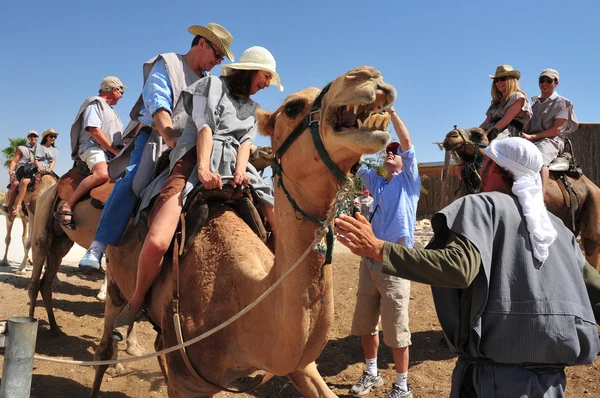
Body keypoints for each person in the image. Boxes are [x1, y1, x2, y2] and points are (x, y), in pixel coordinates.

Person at [335, 137, 600, 398]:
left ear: (495, 167)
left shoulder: (480, 206)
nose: (479, 169)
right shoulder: (558, 229)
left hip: (493, 382)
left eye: (484, 163)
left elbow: (457, 268)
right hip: (552, 385)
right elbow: (594, 291)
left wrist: (378, 249)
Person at [111, 46, 282, 341]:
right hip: (192, 162)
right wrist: (202, 169)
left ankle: (280, 292)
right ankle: (136, 301)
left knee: (278, 222)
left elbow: (244, 143)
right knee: (158, 240)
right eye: (266, 76)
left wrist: (242, 171)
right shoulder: (209, 85)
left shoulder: (252, 110)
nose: (267, 84)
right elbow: (204, 127)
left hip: (233, 169)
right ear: (251, 70)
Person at [78, 22, 234, 271]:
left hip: (191, 145)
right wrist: (171, 138)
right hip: (158, 139)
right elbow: (158, 104)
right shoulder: (167, 64)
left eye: (222, 58)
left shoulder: (208, 82)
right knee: (132, 180)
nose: (218, 61)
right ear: (201, 43)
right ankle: (98, 245)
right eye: (217, 54)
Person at [348, 106, 420, 398]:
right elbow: (358, 159)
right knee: (366, 322)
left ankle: (402, 386)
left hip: (396, 261)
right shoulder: (377, 184)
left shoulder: (409, 183)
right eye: (388, 151)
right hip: (369, 259)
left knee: (397, 329)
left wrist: (391, 114)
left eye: (395, 151)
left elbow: (407, 143)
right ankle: (371, 373)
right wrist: (358, 129)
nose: (391, 153)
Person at [56, 76, 127, 229]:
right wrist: (114, 150)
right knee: (103, 174)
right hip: (92, 147)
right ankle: (67, 206)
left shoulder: (113, 112)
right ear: (114, 90)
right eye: (122, 92)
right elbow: (94, 130)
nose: (122, 96)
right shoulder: (95, 103)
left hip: (109, 152)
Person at [521, 68, 578, 195]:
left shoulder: (562, 102)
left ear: (556, 83)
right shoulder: (534, 103)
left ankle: (540, 197)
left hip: (552, 140)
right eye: (542, 80)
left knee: (539, 159)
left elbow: (556, 129)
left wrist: (532, 136)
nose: (544, 83)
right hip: (532, 138)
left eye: (549, 80)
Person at [479, 65, 532, 140]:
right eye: (496, 80)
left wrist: (486, 134)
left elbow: (505, 120)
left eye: (503, 79)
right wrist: (473, 132)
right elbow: (486, 122)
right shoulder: (496, 103)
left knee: (493, 148)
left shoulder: (518, 97)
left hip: (509, 133)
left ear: (511, 80)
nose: (499, 82)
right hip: (492, 130)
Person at [13, 129, 58, 214]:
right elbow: (36, 159)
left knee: (60, 182)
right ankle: (18, 205)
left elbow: (54, 161)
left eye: (54, 137)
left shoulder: (55, 149)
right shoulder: (39, 146)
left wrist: (50, 168)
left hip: (48, 169)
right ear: (46, 137)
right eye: (51, 136)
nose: (53, 138)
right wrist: (40, 168)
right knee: (25, 181)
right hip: (37, 167)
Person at [6, 131, 38, 215]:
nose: (33, 138)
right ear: (28, 137)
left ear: (37, 138)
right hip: (23, 169)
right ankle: (11, 206)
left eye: (35, 136)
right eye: (31, 136)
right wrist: (11, 170)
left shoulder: (40, 149)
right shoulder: (22, 148)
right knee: (16, 183)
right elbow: (15, 160)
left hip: (34, 169)